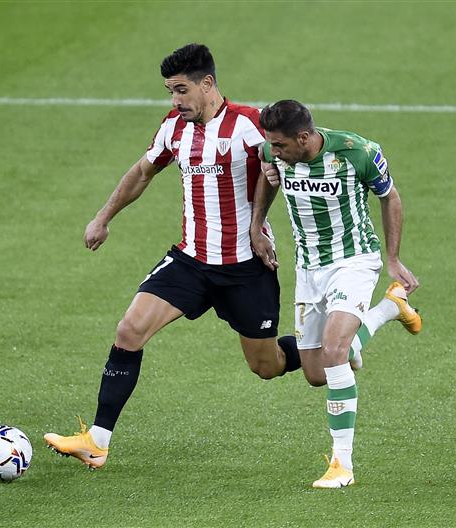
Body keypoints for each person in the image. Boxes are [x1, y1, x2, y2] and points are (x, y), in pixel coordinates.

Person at [44, 44, 302, 469]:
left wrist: (257, 227)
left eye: (181, 90)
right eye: (170, 92)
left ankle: (325, 350)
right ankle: (97, 440)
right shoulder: (173, 128)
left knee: (266, 365)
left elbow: (273, 171)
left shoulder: (250, 124)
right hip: (191, 261)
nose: (175, 101)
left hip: (245, 267)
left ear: (207, 84)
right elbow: (143, 171)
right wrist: (103, 217)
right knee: (129, 330)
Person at [250, 99, 422, 488]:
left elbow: (390, 197)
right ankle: (390, 309)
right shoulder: (273, 151)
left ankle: (342, 464)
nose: (272, 152)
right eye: (270, 145)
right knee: (316, 374)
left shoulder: (358, 153)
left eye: (280, 146)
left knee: (334, 353)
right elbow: (266, 172)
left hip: (354, 261)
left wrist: (392, 259)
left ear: (305, 137)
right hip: (308, 269)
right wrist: (257, 223)